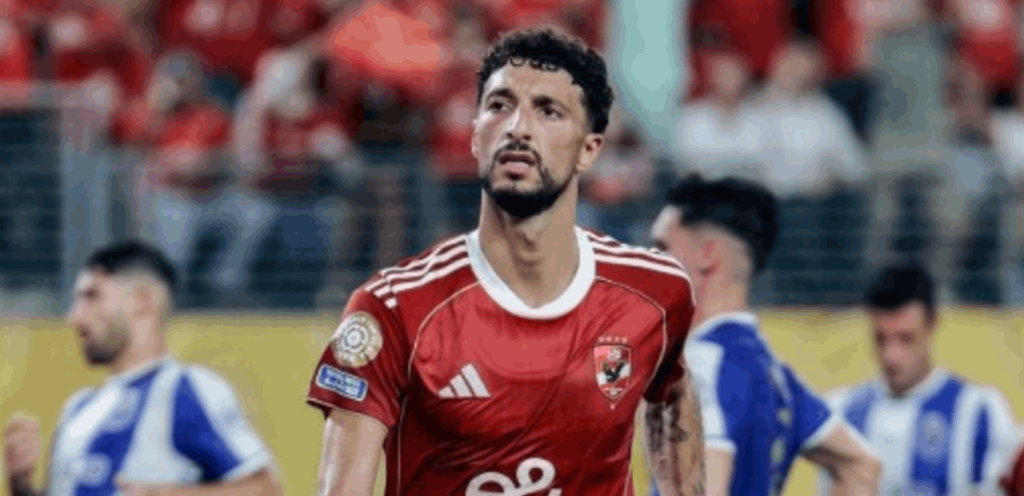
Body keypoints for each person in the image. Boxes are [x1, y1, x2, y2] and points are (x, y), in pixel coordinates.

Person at [305, 28, 704, 496]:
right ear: (476, 136)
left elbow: (673, 400)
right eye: (499, 106)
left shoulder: (656, 292)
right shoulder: (392, 308)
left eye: (548, 111)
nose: (518, 127)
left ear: (589, 149)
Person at [649, 174, 883, 496]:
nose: (647, 263)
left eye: (662, 248)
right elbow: (860, 464)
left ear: (707, 254)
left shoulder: (702, 365)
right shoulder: (778, 378)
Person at [2, 240, 282, 496]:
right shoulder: (77, 407)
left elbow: (265, 490)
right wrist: (21, 482)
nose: (75, 317)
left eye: (92, 296)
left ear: (143, 300)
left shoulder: (184, 389)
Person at [817, 261, 1021, 496]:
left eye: (905, 339)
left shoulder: (979, 410)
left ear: (932, 324)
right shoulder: (841, 409)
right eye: (881, 339)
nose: (891, 356)